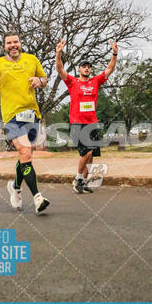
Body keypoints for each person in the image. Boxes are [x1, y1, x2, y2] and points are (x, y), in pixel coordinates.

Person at [0, 32, 50, 214]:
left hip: (32, 114)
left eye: (15, 42)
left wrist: (39, 81)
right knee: (25, 151)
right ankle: (38, 198)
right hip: (11, 116)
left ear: (20, 43)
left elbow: (44, 80)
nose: (13, 45)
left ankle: (15, 187)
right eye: (9, 43)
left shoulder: (32, 59)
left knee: (26, 156)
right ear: (4, 46)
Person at [56, 37, 118, 194]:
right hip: (78, 123)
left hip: (92, 123)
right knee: (86, 152)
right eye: (84, 66)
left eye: (89, 67)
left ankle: (82, 182)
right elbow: (60, 70)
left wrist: (114, 55)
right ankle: (77, 178)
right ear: (79, 69)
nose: (86, 68)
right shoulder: (72, 82)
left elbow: (110, 70)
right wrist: (58, 54)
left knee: (91, 156)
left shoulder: (95, 82)